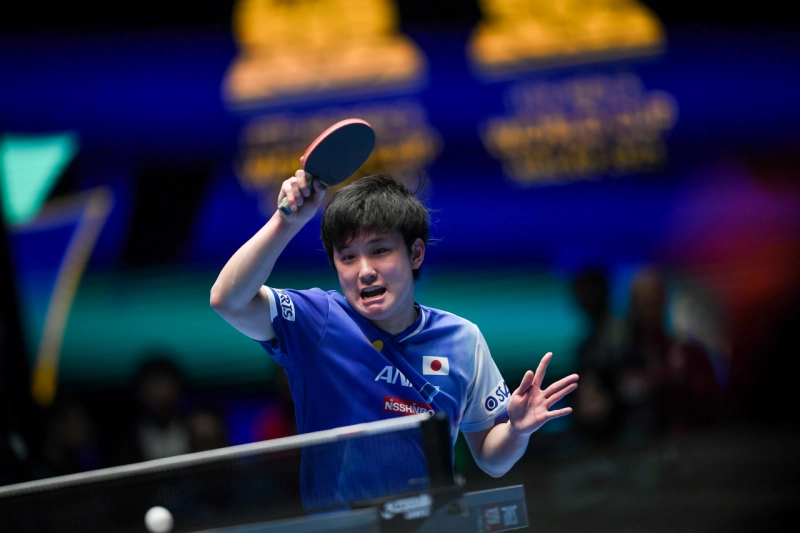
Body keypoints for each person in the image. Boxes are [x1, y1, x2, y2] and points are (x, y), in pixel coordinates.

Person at [210, 168, 579, 508]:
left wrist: (516, 431)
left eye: (380, 250)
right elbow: (227, 300)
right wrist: (285, 222)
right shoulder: (317, 320)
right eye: (348, 257)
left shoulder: (462, 339)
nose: (365, 271)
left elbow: (491, 459)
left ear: (415, 253)